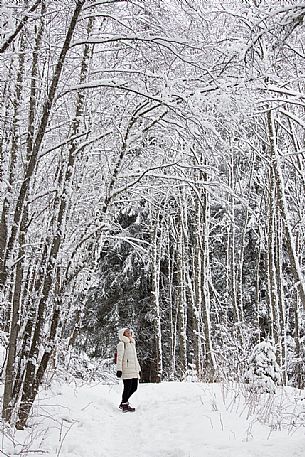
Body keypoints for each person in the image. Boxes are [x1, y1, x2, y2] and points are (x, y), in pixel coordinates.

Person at [116, 327, 141, 413]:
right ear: (123, 334)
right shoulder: (122, 344)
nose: (129, 333)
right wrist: (119, 370)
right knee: (127, 388)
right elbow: (119, 358)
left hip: (134, 370)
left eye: (129, 331)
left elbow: (135, 358)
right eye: (127, 332)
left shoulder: (132, 343)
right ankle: (124, 404)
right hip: (126, 369)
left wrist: (138, 368)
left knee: (134, 388)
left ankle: (123, 402)